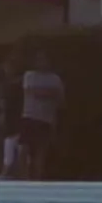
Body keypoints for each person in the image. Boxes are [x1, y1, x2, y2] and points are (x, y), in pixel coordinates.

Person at [19, 50, 65, 181]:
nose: (41, 62)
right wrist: (50, 93)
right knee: (24, 149)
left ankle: (38, 179)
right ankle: (24, 179)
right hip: (29, 117)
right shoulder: (29, 75)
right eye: (39, 59)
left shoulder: (55, 79)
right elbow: (32, 91)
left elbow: (61, 99)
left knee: (41, 152)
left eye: (44, 59)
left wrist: (47, 93)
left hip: (45, 119)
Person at [0, 56, 26, 179]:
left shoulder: (19, 84)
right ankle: (9, 173)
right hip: (11, 121)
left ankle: (10, 173)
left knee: (16, 148)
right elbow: (4, 104)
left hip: (19, 120)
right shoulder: (8, 85)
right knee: (11, 147)